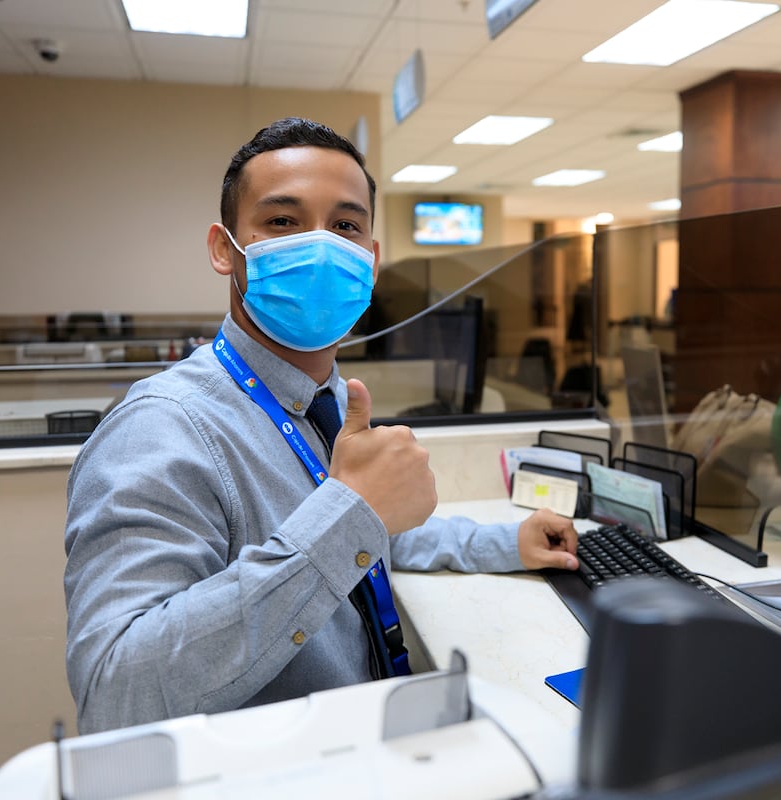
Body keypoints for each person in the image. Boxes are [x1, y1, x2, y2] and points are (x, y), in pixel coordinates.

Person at [64, 117, 580, 735]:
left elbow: (367, 540)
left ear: (370, 259)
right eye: (282, 221)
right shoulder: (163, 429)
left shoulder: (325, 397)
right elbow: (117, 691)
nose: (320, 245)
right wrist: (352, 513)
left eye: (345, 226)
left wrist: (503, 543)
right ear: (226, 249)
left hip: (360, 734)